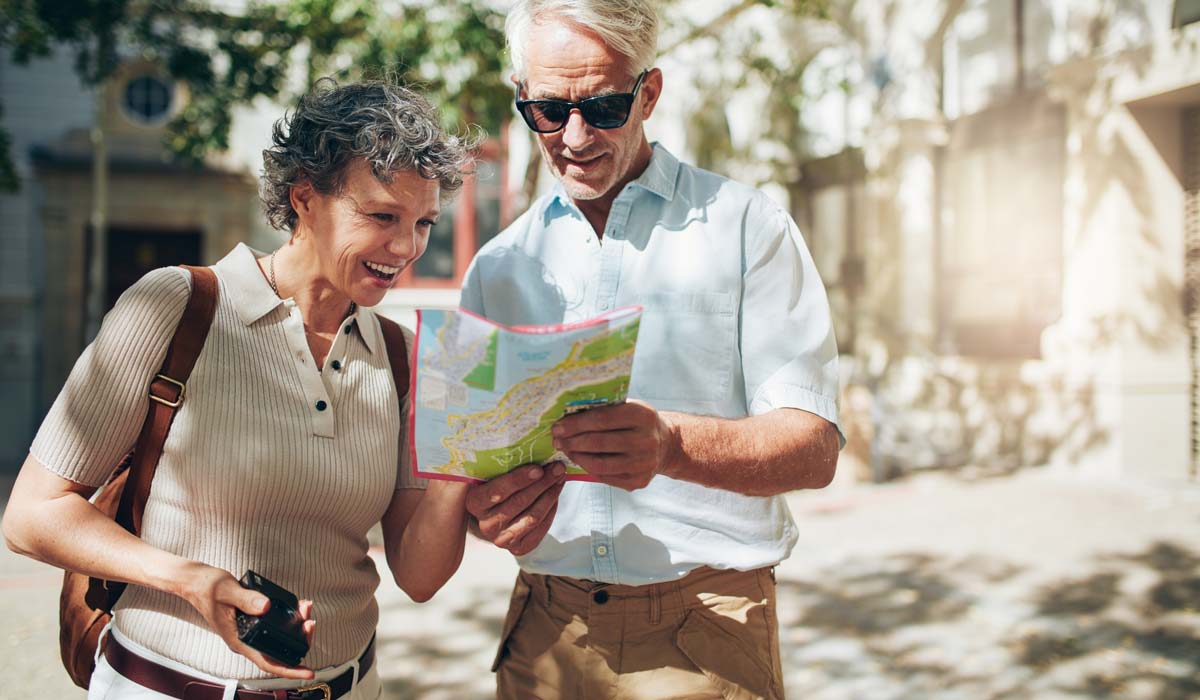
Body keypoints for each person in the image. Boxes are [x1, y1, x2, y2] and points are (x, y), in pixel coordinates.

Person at [2, 78, 477, 700]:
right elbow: (32, 516)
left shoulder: (404, 357)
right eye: (382, 216)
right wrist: (187, 579)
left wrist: (462, 458)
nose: (405, 247)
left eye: (424, 224)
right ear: (303, 197)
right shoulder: (174, 305)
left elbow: (418, 577)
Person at [458, 1, 843, 698]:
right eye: (547, 109)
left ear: (650, 93)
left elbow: (815, 449)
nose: (573, 136)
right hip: (546, 633)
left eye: (603, 107)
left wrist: (671, 445)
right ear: (521, 99)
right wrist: (489, 513)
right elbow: (470, 476)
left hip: (708, 632)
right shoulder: (498, 266)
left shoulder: (746, 227)